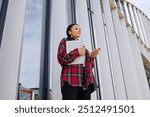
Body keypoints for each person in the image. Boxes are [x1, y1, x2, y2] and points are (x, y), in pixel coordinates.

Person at [57, 24, 100, 100]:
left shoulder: (82, 47)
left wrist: (92, 57)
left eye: (80, 29)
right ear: (69, 32)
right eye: (76, 29)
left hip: (85, 81)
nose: (79, 30)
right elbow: (61, 59)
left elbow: (90, 66)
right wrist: (77, 52)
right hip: (71, 79)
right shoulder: (65, 41)